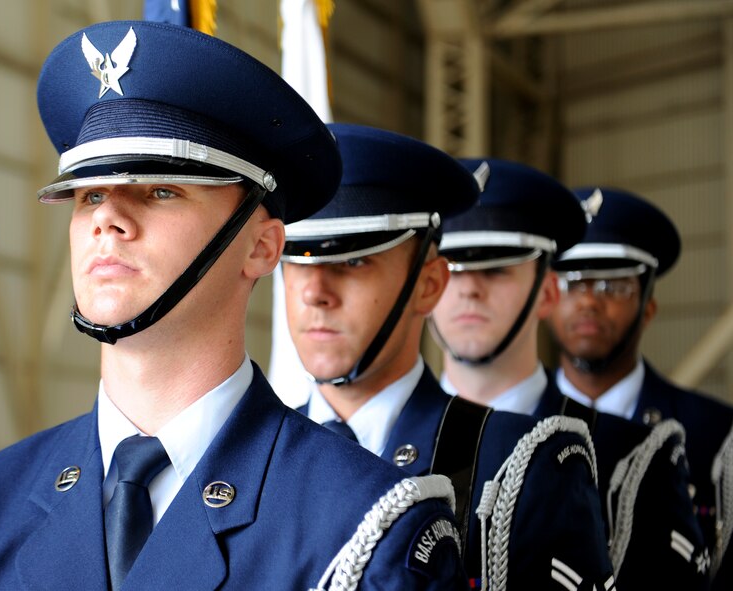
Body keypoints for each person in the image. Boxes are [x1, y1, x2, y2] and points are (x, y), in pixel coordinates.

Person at [0, 22, 468, 590]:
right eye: (90, 193)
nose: (107, 219)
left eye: (160, 191)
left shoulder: (368, 530)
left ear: (261, 246)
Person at [282, 124, 615, 590]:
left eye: (354, 261)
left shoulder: (527, 465)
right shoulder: (250, 457)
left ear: (429, 285)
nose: (315, 292)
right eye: (296, 259)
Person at [429, 160, 709, 589]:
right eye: (452, 270)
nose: (469, 288)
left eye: (497, 268)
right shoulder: (364, 446)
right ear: (427, 285)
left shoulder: (635, 459)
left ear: (546, 293)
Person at [547, 186, 733, 589]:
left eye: (612, 286)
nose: (588, 302)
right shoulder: (509, 425)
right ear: (545, 298)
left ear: (648, 307)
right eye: (571, 283)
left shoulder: (716, 435)